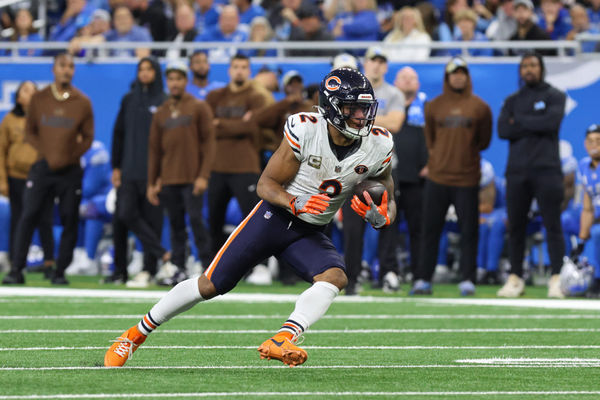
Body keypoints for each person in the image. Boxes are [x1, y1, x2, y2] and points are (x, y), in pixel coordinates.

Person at [104, 67, 396, 368]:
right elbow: (265, 185)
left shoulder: (379, 144)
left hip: (310, 231)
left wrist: (380, 215)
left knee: (335, 277)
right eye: (352, 109)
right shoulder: (307, 129)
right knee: (209, 285)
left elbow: (387, 195)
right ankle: (135, 334)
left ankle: (284, 337)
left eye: (365, 108)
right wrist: (295, 202)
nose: (362, 117)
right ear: (332, 109)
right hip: (274, 218)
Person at [2, 53, 94, 285]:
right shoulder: (39, 99)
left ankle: (59, 271)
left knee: (69, 218)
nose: (67, 70)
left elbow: (88, 137)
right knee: (28, 215)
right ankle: (16, 269)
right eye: (63, 65)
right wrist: (46, 153)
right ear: (53, 69)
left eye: (71, 66)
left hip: (70, 170)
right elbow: (30, 131)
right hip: (42, 167)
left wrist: (69, 155)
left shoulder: (82, 102)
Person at [410, 57, 492, 296]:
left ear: (467, 76)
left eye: (462, 73)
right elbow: (430, 140)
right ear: (447, 77)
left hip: (467, 178)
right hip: (437, 178)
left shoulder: (480, 107)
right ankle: (423, 279)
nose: (458, 77)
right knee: (430, 230)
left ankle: (468, 279)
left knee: (469, 231)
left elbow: (484, 141)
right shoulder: (433, 106)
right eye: (453, 73)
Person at [497, 53, 567, 299]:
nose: (529, 70)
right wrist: (534, 121)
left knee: (553, 225)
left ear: (542, 68)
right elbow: (503, 129)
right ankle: (515, 278)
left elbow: (551, 123)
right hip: (517, 172)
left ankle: (557, 278)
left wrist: (520, 122)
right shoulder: (512, 100)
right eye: (525, 66)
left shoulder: (555, 96)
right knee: (515, 227)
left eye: (533, 65)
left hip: (547, 170)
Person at [342, 47, 405, 294]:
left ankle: (387, 273)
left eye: (381, 61)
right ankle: (352, 278)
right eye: (373, 61)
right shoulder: (351, 91)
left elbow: (396, 123)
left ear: (386, 66)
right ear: (365, 63)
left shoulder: (394, 93)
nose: (377, 65)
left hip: (385, 165)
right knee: (352, 227)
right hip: (353, 166)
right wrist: (379, 118)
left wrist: (361, 119)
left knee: (387, 220)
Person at [147, 60, 216, 285]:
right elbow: (155, 150)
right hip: (169, 179)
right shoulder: (161, 112)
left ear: (185, 81)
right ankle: (179, 267)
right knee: (175, 225)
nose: (174, 84)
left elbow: (209, 144)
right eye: (171, 79)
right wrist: (153, 181)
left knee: (196, 221)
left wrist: (203, 176)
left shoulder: (198, 107)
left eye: (178, 79)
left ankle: (208, 265)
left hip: (192, 178)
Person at [110, 56, 170, 286]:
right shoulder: (128, 100)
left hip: (152, 175)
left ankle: (148, 270)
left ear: (156, 72)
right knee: (123, 216)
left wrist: (161, 176)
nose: (144, 73)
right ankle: (120, 270)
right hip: (128, 170)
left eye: (149, 69)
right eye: (141, 69)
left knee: (152, 220)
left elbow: (166, 143)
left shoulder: (164, 102)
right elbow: (118, 134)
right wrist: (115, 166)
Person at [204, 54, 267, 256]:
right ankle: (211, 267)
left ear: (249, 71)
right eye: (236, 66)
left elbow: (253, 128)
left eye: (243, 67)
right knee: (214, 221)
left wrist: (220, 123)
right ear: (229, 70)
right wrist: (241, 124)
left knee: (251, 221)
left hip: (246, 166)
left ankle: (256, 266)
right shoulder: (215, 96)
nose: (239, 70)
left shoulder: (256, 97)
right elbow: (208, 129)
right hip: (217, 167)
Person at [0, 81, 55, 277]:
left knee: (44, 219)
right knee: (19, 220)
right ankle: (17, 263)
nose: (31, 94)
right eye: (26, 91)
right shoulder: (10, 120)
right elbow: (1, 151)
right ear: (18, 96)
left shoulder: (45, 119)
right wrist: (2, 180)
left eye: (34, 91)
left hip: (41, 177)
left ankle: (49, 263)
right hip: (16, 177)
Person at [392, 66, 428, 282]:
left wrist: (432, 163)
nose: (407, 81)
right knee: (388, 230)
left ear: (418, 84)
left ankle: (419, 274)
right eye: (403, 78)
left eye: (412, 78)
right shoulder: (384, 107)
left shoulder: (427, 108)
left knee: (418, 230)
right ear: (395, 83)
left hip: (418, 178)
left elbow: (438, 138)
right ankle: (389, 273)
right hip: (389, 176)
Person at [573, 124, 600, 297]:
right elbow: (587, 208)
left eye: (598, 140)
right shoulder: (583, 166)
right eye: (590, 141)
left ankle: (598, 280)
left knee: (598, 232)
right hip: (597, 217)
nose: (594, 145)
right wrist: (581, 241)